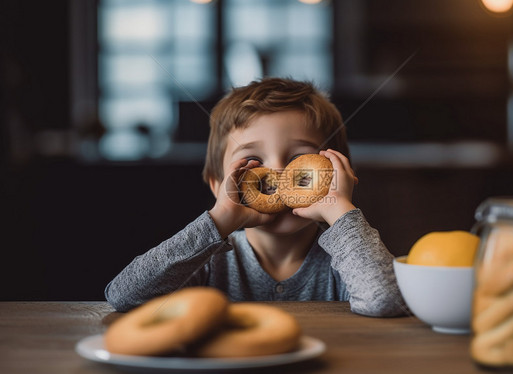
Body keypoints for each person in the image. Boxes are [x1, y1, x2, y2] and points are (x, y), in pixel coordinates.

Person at [105, 77, 406, 317]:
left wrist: (341, 212)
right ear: (218, 186)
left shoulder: (347, 259)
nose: (276, 174)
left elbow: (385, 300)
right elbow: (124, 296)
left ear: (337, 176)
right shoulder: (209, 262)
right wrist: (218, 220)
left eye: (298, 159)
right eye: (253, 160)